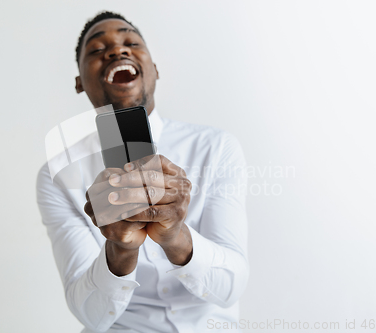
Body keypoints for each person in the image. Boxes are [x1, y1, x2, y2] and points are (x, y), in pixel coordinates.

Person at [37, 11, 249, 333]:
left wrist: (177, 237)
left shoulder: (216, 148)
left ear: (155, 69)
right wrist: (120, 249)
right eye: (96, 50)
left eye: (131, 42)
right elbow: (90, 314)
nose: (116, 51)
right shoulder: (58, 174)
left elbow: (230, 287)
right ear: (79, 82)